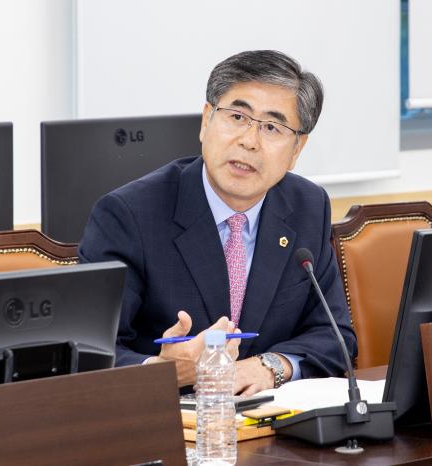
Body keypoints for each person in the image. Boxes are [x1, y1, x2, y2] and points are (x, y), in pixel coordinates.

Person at [79, 50, 355, 395]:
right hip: (171, 418)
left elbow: (335, 336)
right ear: (206, 121)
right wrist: (163, 372)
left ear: (297, 149)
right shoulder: (129, 215)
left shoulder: (307, 207)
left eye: (272, 127)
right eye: (237, 117)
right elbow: (88, 353)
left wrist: (271, 366)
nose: (249, 141)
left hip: (274, 418)